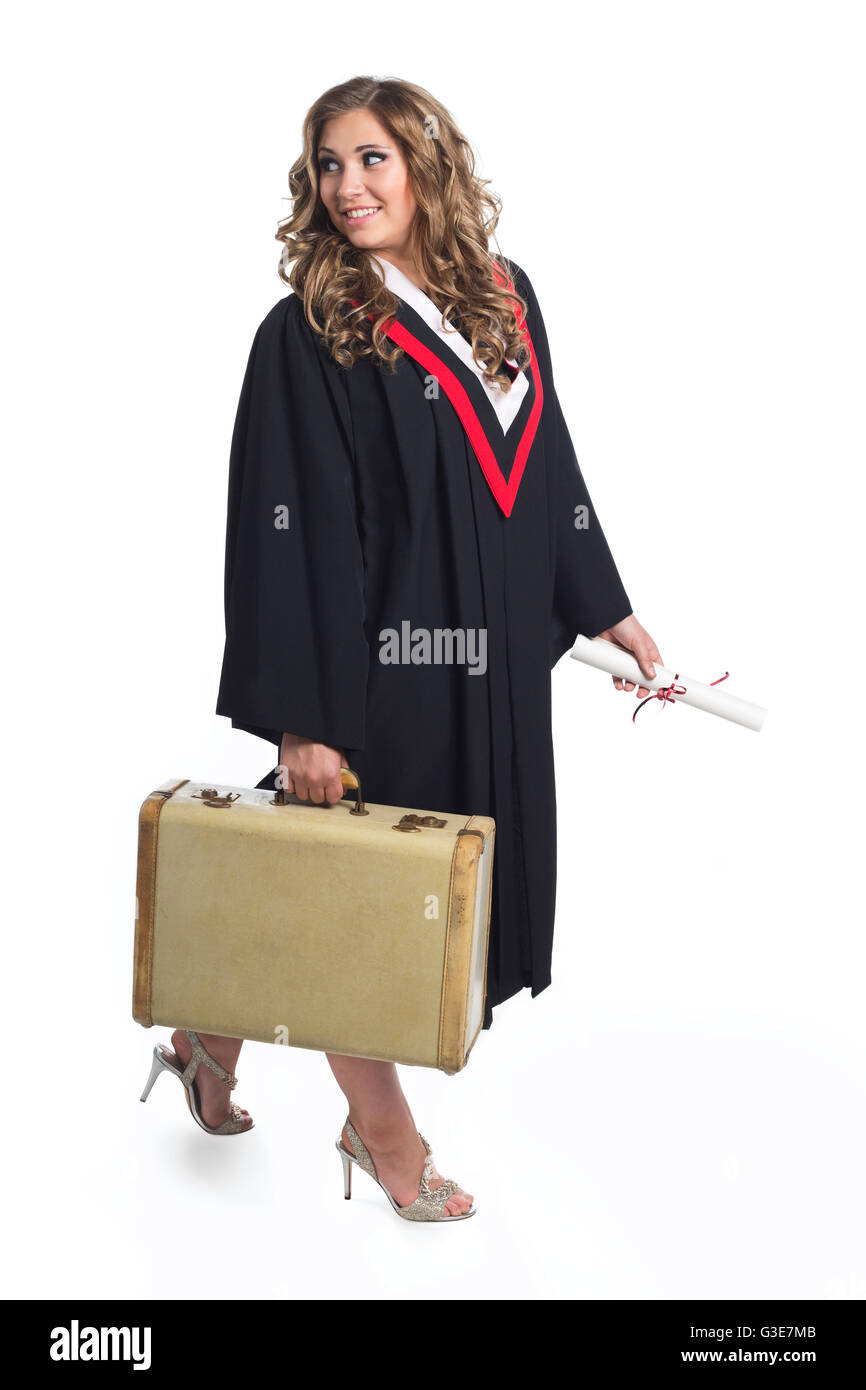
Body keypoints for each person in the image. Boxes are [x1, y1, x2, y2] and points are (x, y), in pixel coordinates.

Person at [156, 75, 662, 1222]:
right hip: (370, 670)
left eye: (372, 158)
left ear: (426, 164)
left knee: (352, 881)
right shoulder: (309, 332)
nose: (347, 186)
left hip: (478, 669)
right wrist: (304, 718)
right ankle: (384, 1135)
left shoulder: (503, 296)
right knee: (369, 912)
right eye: (328, 164)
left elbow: (551, 466)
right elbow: (281, 531)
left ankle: (205, 1038)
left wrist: (607, 609)